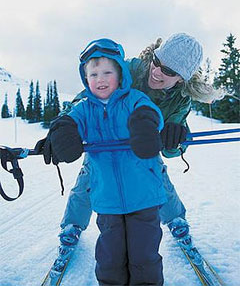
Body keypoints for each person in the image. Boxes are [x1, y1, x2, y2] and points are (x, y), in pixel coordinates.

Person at [36, 33, 224, 276]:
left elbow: (170, 151)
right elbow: (92, 93)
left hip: (141, 145)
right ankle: (72, 226)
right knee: (88, 178)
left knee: (157, 176)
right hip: (105, 143)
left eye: (168, 71)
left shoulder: (180, 100)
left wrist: (175, 137)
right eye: (157, 61)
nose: (156, 71)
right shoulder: (132, 70)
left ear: (181, 79)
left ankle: (176, 220)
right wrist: (65, 124)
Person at [36, 38, 167, 285]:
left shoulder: (134, 100)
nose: (101, 78)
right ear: (86, 79)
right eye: (93, 74)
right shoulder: (85, 109)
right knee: (109, 261)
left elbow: (150, 112)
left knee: (145, 257)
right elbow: (70, 121)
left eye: (107, 71)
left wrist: (144, 123)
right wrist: (62, 131)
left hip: (145, 197)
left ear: (120, 74)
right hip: (106, 201)